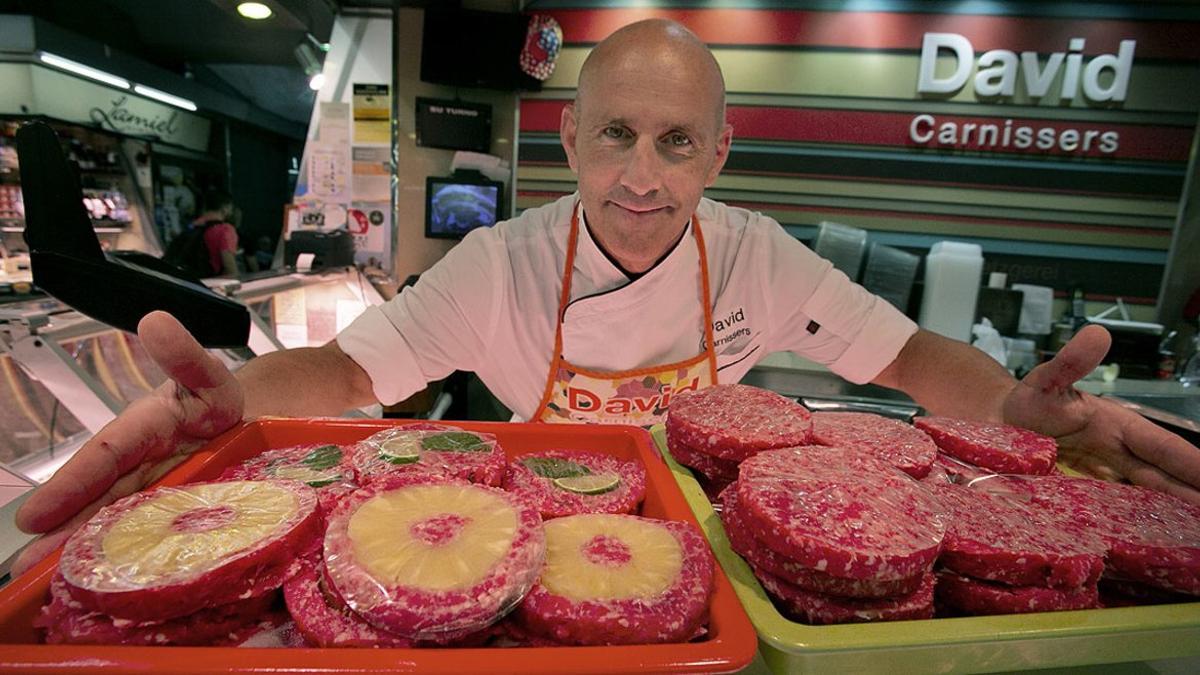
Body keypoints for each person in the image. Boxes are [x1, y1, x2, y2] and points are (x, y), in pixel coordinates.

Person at [11, 20, 1200, 575]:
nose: (641, 175)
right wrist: (245, 404)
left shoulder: (757, 255)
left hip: (710, 544)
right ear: (570, 135)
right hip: (532, 533)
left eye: (676, 143)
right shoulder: (504, 264)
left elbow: (910, 363)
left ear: (719, 153)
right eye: (616, 135)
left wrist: (1009, 411)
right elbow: (352, 372)